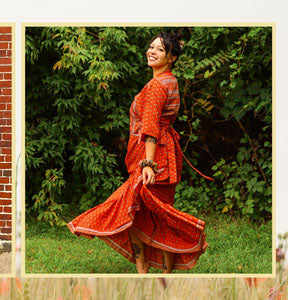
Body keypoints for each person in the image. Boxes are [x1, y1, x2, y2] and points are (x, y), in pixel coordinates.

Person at [67, 32, 210, 273]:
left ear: (172, 57)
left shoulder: (156, 86)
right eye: (151, 47)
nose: (152, 51)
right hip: (165, 154)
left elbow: (151, 127)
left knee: (148, 212)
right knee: (150, 211)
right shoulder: (170, 81)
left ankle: (153, 273)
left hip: (154, 156)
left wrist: (148, 164)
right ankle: (154, 273)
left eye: (160, 50)